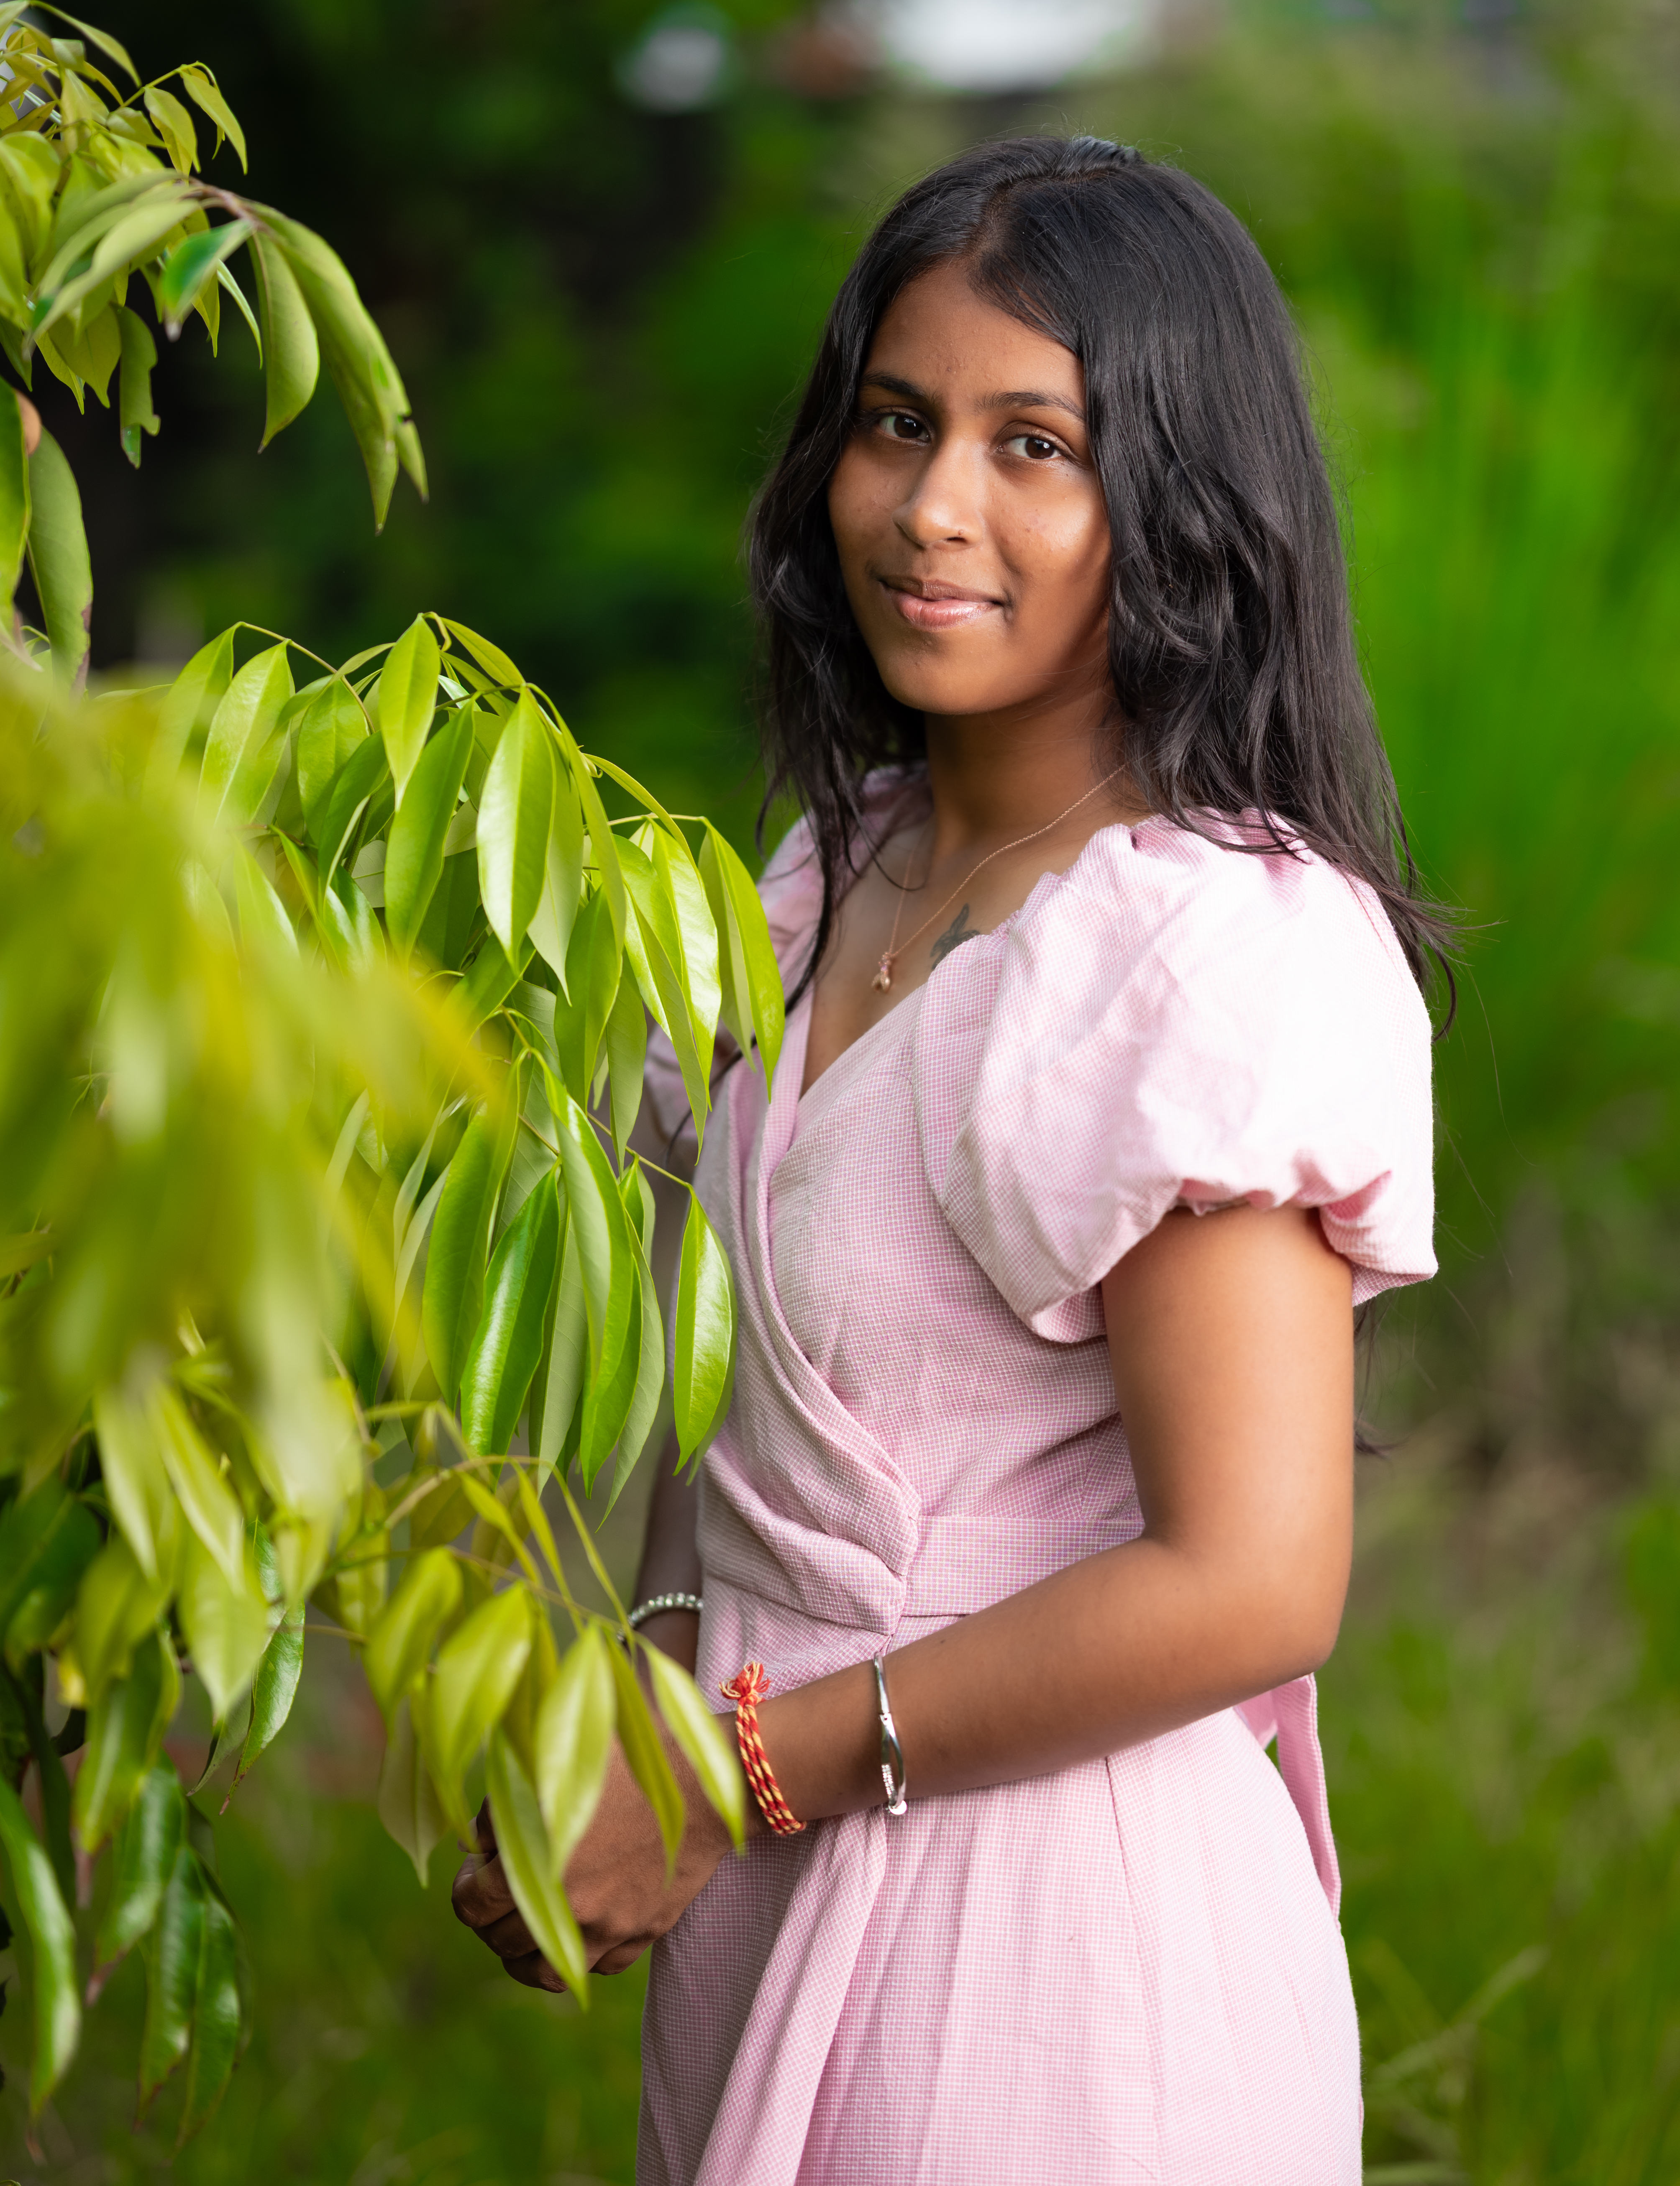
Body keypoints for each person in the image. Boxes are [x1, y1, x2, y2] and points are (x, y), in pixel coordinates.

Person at [453, 135, 1441, 2183]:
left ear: (1174, 504)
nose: (931, 508)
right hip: (773, 1902)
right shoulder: (822, 883)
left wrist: (726, 1776)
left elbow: (1255, 1577)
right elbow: (748, 1451)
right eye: (897, 424)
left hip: (1054, 1968)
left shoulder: (1194, 947)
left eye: (1034, 445)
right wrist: (605, 1748)